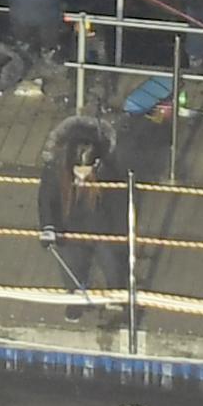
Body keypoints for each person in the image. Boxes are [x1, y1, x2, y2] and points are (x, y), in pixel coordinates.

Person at [39, 112, 132, 307]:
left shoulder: (108, 174)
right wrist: (48, 227)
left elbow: (117, 205)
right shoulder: (55, 171)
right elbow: (47, 199)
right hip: (69, 226)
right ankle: (75, 297)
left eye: (86, 170)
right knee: (71, 266)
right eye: (77, 169)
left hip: (101, 227)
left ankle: (115, 296)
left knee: (112, 264)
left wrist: (119, 235)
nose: (81, 174)